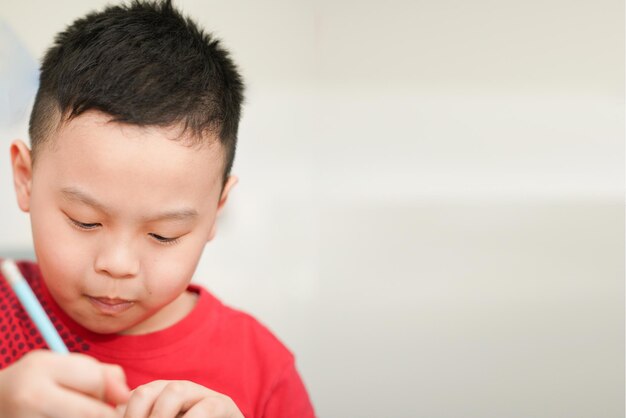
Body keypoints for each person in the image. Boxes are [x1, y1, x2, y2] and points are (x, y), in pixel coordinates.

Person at [0, 0, 315, 417]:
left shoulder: (261, 367)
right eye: (85, 221)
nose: (117, 264)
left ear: (216, 209)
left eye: (163, 234)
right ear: (25, 178)